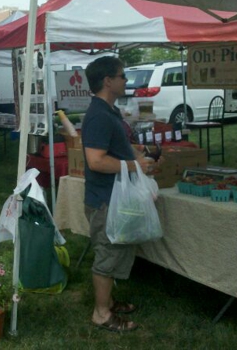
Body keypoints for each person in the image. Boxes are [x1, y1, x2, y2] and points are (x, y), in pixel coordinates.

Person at [82, 56, 155, 333]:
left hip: (115, 197)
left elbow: (120, 148)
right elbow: (96, 161)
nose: (126, 80)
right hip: (105, 200)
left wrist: (140, 158)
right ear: (108, 81)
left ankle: (108, 301)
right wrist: (135, 165)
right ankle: (101, 313)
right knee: (108, 253)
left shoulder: (109, 111)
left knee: (115, 250)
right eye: (123, 76)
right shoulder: (99, 115)